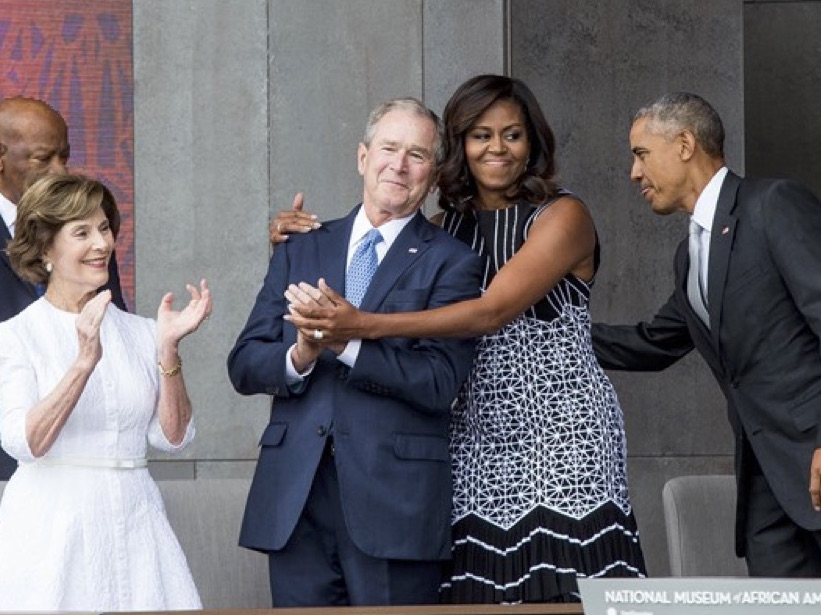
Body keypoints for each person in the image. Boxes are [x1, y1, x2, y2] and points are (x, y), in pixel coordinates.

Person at [277, 74, 646, 603]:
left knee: (567, 590)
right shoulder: (442, 229)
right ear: (459, 146)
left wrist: (361, 325)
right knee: (479, 592)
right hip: (471, 433)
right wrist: (297, 243)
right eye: (480, 135)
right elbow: (370, 258)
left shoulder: (565, 215)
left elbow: (490, 312)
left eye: (512, 135)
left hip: (563, 433)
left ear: (532, 144)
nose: (498, 147)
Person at [227, 97, 482, 607]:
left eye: (416, 154)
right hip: (295, 498)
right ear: (363, 157)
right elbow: (244, 363)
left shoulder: (453, 262)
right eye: (388, 148)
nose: (399, 165)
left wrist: (345, 343)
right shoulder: (302, 246)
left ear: (433, 175)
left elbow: (439, 383)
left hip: (395, 503)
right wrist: (300, 354)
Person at [589, 92, 821, 576]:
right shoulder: (689, 254)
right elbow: (654, 342)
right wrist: (554, 337)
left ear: (684, 144)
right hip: (765, 486)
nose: (634, 173)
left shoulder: (772, 205)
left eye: (641, 154)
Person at [0, 173, 209, 609]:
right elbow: (26, 442)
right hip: (51, 530)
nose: (102, 244)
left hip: (137, 521)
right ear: (45, 248)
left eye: (104, 228)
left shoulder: (141, 331)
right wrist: (83, 363)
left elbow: (172, 438)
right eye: (82, 233)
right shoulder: (17, 336)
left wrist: (168, 349)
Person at [0, 96, 127, 478]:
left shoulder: (89, 238)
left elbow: (114, 327)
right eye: (43, 158)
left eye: (64, 156)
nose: (60, 170)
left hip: (85, 455)